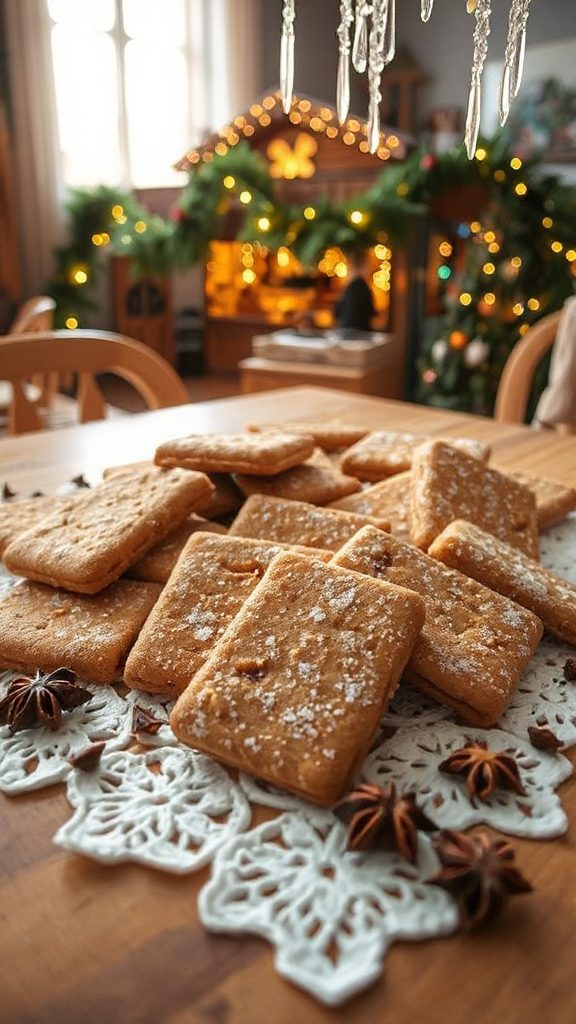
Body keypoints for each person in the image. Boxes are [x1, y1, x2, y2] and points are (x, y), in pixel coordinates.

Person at [335, 251, 375, 332]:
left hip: (350, 333)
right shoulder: (360, 286)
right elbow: (370, 312)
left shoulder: (353, 286)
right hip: (356, 335)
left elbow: (338, 312)